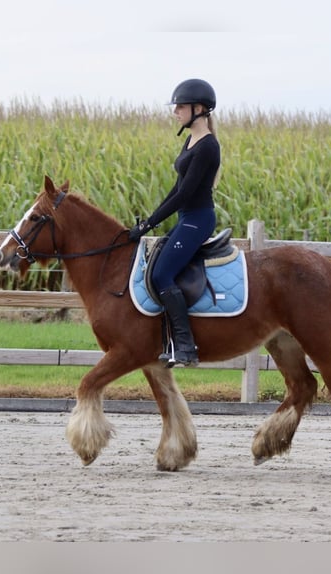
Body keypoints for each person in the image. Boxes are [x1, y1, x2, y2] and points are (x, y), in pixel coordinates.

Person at [129, 78, 221, 367]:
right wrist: (149, 221)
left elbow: (184, 194)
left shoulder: (208, 147)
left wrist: (151, 223)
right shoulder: (191, 139)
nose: (175, 112)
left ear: (199, 109)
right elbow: (177, 187)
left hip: (198, 220)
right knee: (157, 266)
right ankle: (169, 342)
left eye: (180, 106)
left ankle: (185, 346)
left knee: (161, 275)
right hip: (187, 219)